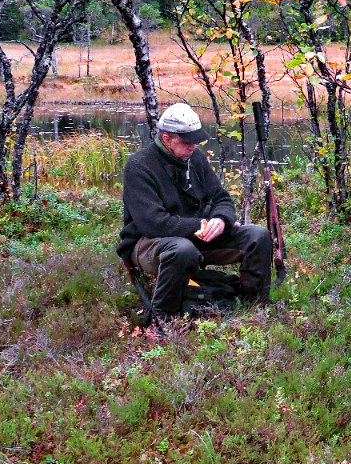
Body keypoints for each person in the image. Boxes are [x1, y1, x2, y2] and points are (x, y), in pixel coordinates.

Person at [116, 103, 272, 320]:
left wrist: (221, 219)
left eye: (195, 140)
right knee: (182, 251)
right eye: (187, 140)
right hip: (148, 243)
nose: (193, 146)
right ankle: (164, 320)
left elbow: (222, 198)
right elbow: (152, 223)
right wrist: (202, 225)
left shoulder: (195, 158)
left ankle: (254, 307)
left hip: (195, 236)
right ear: (166, 138)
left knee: (258, 236)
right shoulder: (139, 165)